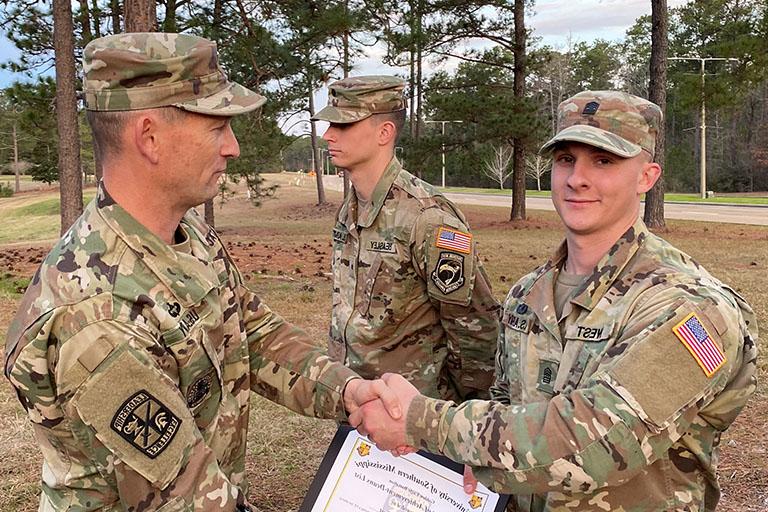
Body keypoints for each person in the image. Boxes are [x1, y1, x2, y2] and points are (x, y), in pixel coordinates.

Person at [3, 33, 398, 511]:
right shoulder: (93, 317)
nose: (232, 147)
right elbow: (186, 492)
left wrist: (351, 391)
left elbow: (252, 331)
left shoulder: (184, 232)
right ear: (149, 137)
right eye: (217, 128)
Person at [350, 91, 759, 511]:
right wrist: (476, 458)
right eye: (566, 159)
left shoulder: (691, 308)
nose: (577, 178)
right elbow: (506, 401)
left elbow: (599, 444)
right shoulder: (528, 295)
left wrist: (422, 421)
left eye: (604, 161)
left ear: (647, 176)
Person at [312, 75, 500, 401]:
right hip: (359, 399)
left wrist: (457, 412)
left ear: (384, 132)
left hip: (415, 411)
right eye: (330, 125)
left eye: (342, 126)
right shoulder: (350, 210)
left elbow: (473, 328)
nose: (328, 135)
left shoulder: (428, 218)